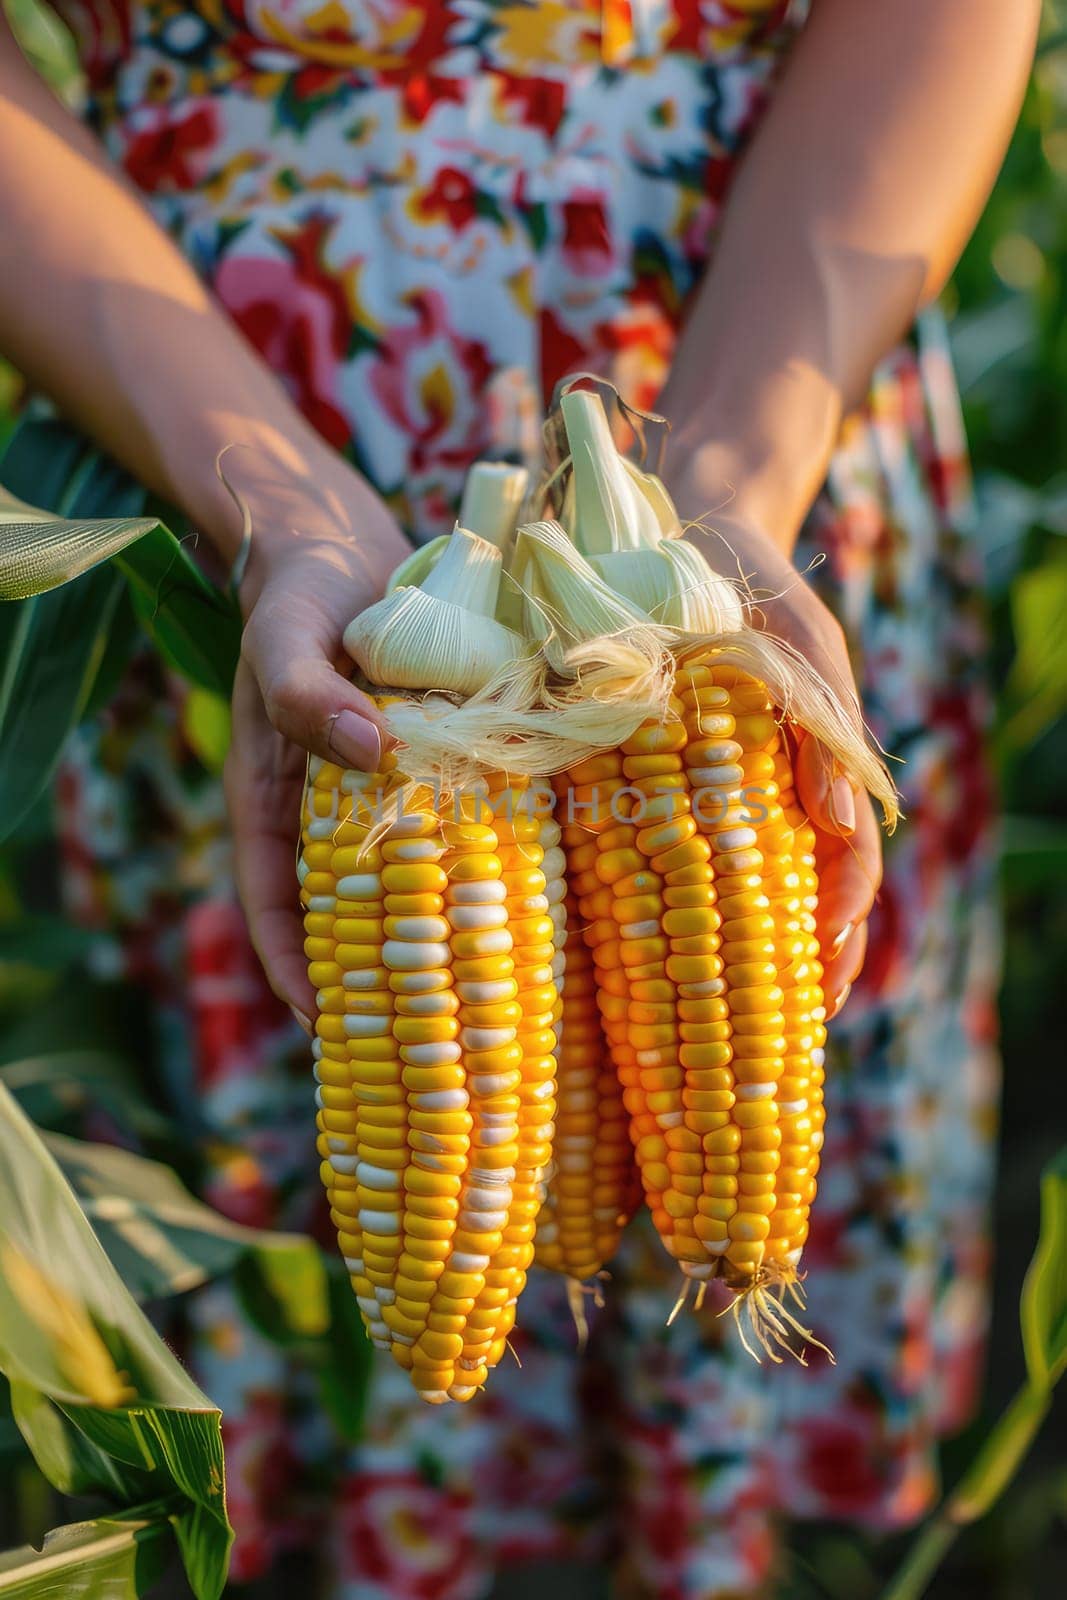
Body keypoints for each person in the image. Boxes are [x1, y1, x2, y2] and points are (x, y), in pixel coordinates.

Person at [0, 1, 1034, 1593]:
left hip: (764, 390)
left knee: (729, 1154)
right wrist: (266, 500)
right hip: (208, 417)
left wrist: (735, 499)